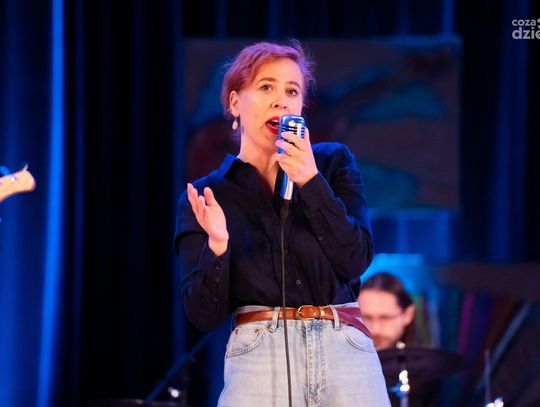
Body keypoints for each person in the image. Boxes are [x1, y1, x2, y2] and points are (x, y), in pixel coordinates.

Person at [175, 40, 390, 406]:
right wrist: (218, 247)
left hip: (344, 349)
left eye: (292, 91)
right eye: (266, 87)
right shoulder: (208, 195)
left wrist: (311, 182)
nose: (281, 101)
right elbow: (203, 315)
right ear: (234, 103)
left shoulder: (332, 164)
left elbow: (356, 259)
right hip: (261, 356)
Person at [358, 272, 416, 350]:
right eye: (366, 318)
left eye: (385, 318)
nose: (375, 330)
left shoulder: (429, 357)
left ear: (408, 314)